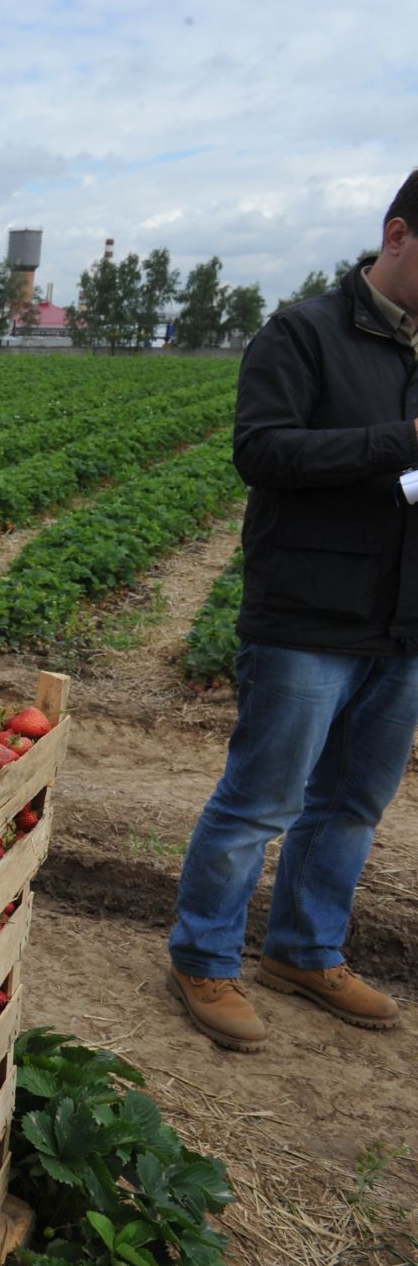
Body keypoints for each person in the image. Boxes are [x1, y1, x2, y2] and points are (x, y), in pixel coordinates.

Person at [165, 172, 418, 1051]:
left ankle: (306, 949)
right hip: (310, 612)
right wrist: (404, 442)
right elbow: (262, 450)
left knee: (353, 800)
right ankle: (203, 955)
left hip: (406, 619)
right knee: (262, 798)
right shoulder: (302, 333)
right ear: (397, 235)